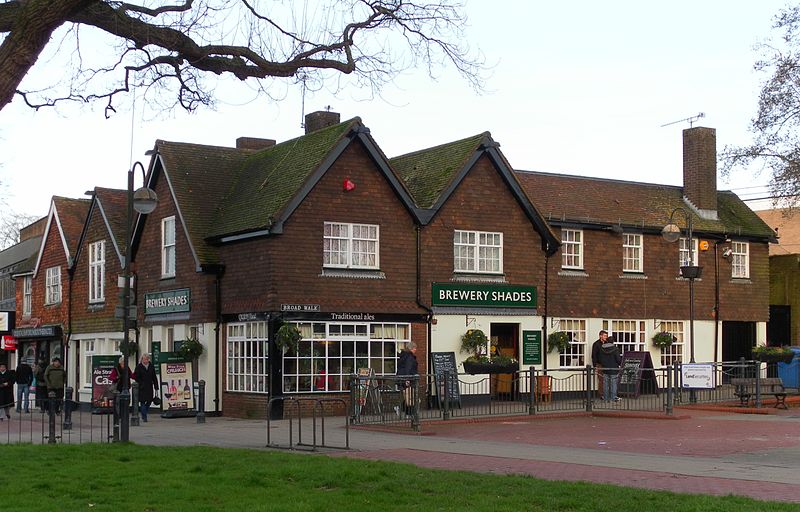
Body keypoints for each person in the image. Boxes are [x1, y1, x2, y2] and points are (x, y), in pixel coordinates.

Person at [593, 333, 622, 402]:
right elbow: (618, 360)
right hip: (614, 368)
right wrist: (619, 364)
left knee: (605, 384)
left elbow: (600, 358)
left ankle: (606, 398)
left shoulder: (602, 348)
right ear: (613, 342)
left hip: (605, 368)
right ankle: (613, 397)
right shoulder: (615, 349)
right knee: (613, 383)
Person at [133, 354, 159, 422]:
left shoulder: (151, 366)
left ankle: (144, 413)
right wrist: (141, 383)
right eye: (144, 359)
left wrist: (156, 386)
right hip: (142, 387)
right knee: (142, 401)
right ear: (142, 359)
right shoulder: (139, 367)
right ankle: (144, 416)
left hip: (149, 386)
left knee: (149, 401)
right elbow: (136, 377)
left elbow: (154, 376)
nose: (146, 360)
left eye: (147, 359)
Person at [396, 342, 418, 416]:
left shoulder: (404, 356)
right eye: (414, 348)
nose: (415, 349)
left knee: (409, 396)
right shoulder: (409, 357)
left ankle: (402, 410)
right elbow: (408, 368)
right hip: (408, 379)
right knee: (410, 397)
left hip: (403, 378)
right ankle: (409, 414)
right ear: (411, 348)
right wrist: (407, 379)